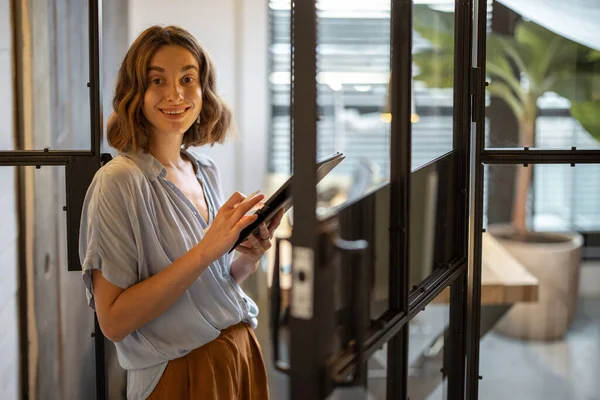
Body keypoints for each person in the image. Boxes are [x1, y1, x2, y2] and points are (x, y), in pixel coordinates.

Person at [79, 25, 283, 400]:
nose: (175, 93)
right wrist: (207, 249)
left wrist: (245, 258)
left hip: (237, 356)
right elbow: (113, 320)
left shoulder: (203, 169)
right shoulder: (120, 182)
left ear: (203, 89)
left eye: (188, 78)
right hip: (179, 374)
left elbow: (211, 285)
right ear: (134, 93)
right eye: (157, 80)